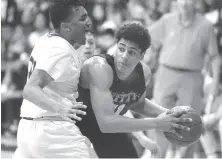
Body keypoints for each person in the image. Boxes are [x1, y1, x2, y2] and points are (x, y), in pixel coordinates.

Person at [76, 22, 193, 158]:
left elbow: (137, 103)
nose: (124, 56)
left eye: (131, 52)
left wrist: (172, 115)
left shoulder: (143, 74)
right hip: (78, 129)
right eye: (121, 49)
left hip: (110, 129)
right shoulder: (100, 67)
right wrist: (156, 123)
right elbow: (105, 123)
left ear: (142, 56)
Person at [13, 0, 92, 158]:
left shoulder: (47, 40)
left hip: (28, 128)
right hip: (52, 130)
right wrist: (62, 107)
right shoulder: (60, 49)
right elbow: (30, 90)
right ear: (66, 27)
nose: (88, 23)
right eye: (82, 19)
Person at [147, 0, 221, 157]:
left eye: (190, 0)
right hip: (166, 73)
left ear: (195, 2)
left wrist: (215, 82)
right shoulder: (167, 20)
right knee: (161, 119)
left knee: (190, 123)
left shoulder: (205, 25)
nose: (185, 3)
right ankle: (158, 156)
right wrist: (146, 61)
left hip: (192, 77)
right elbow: (146, 39)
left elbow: (215, 57)